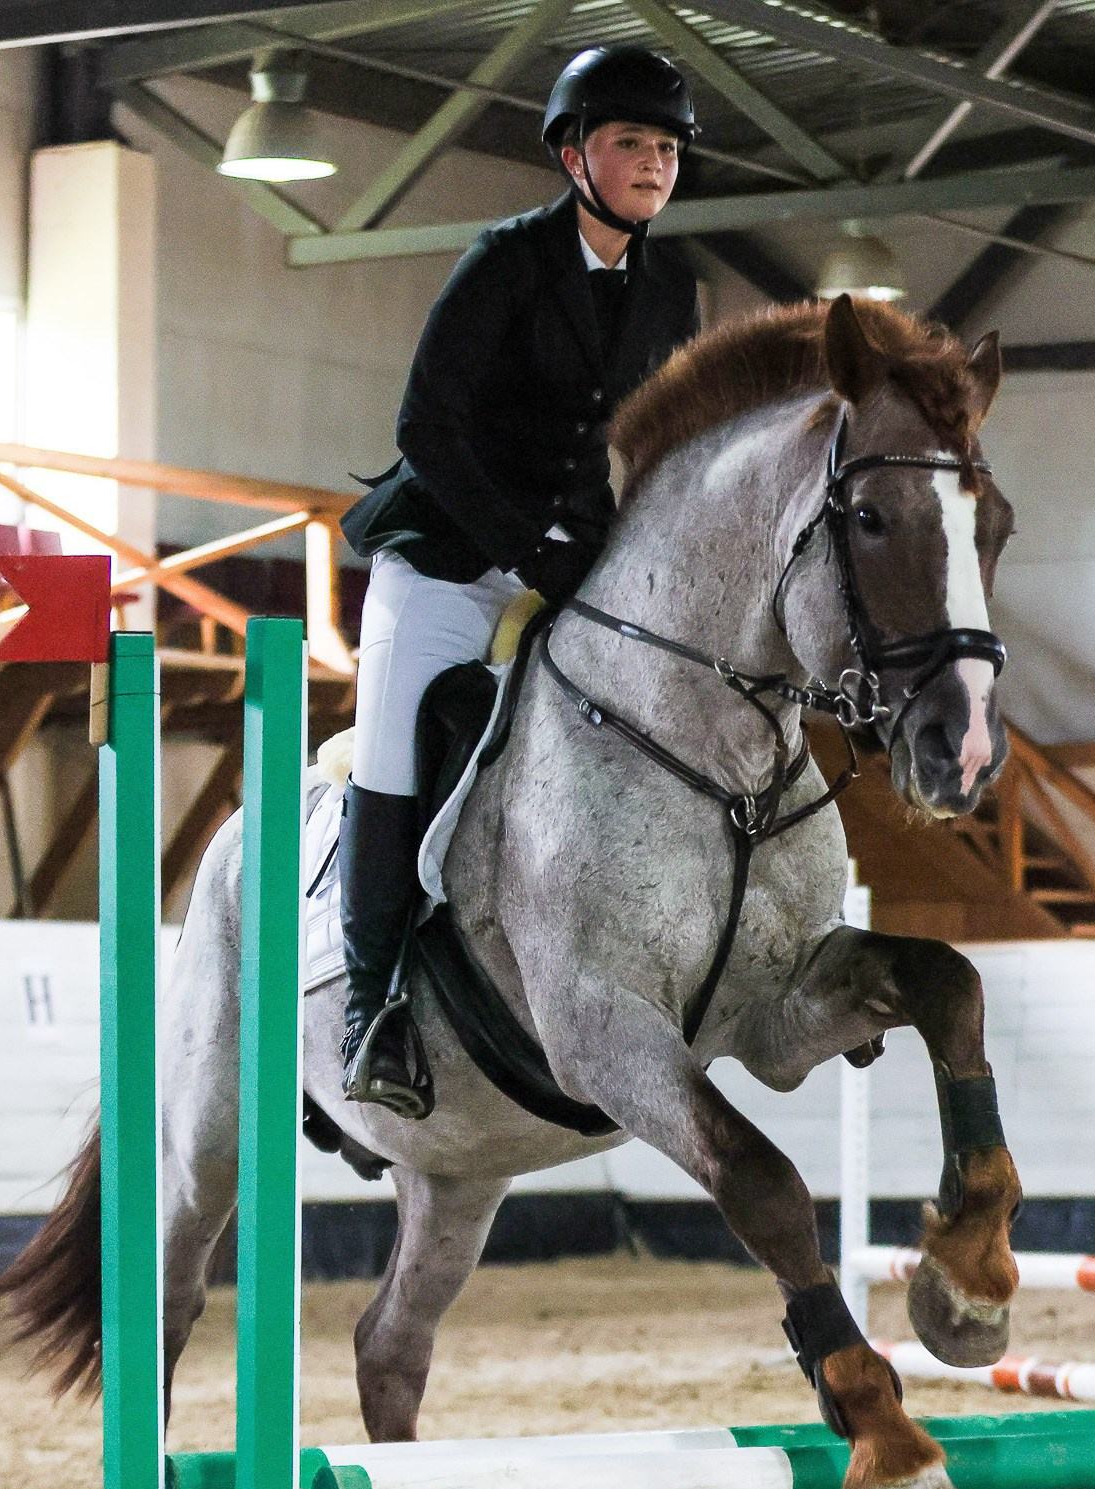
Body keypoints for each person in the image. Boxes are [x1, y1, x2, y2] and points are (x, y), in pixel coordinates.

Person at [334, 45, 704, 1116]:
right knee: (397, 752)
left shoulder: (670, 288)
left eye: (668, 148)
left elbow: (657, 443)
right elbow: (425, 428)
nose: (653, 164)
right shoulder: (503, 262)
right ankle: (371, 1012)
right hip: (448, 562)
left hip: (576, 564)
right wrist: (518, 546)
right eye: (631, 142)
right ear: (573, 154)